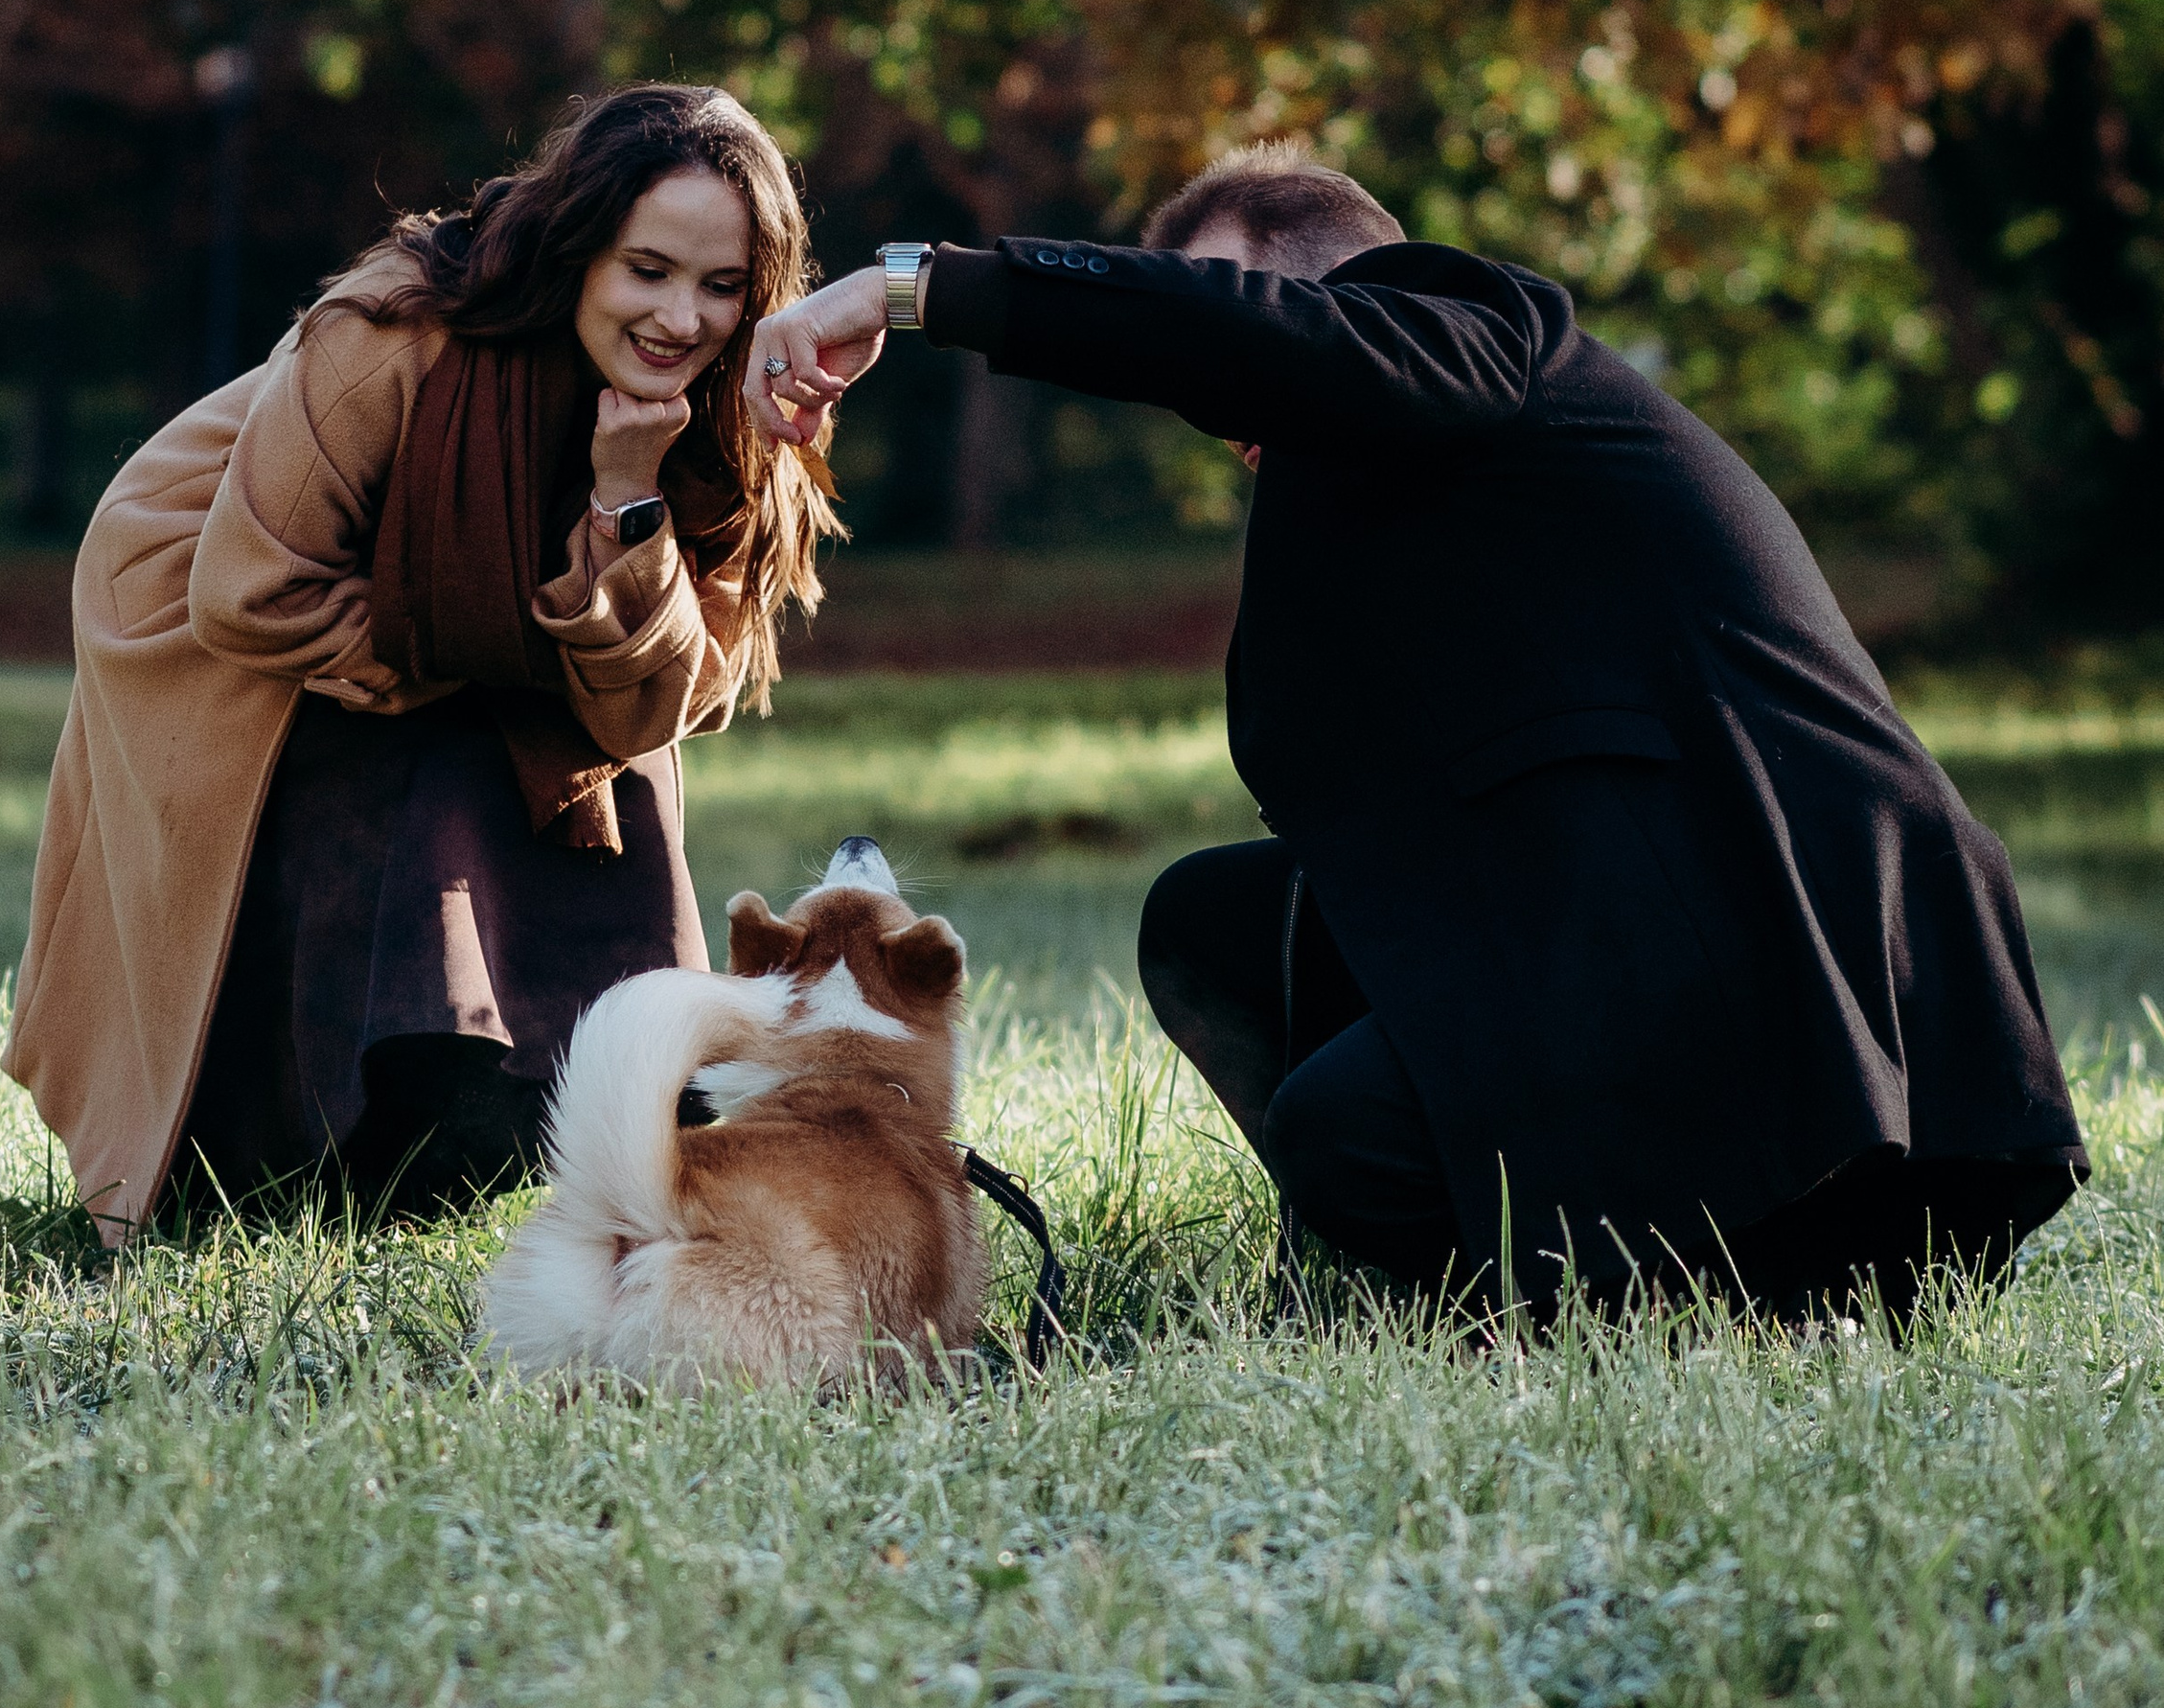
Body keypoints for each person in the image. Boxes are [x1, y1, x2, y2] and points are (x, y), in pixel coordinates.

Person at [746, 155, 2085, 1323]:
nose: (1205, 404)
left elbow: (1258, 342)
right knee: (1218, 920)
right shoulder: (1380, 509)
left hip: (1810, 997)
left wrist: (917, 288)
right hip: (1628, 951)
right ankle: (1536, 1279)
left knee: (1348, 1133)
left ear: (1316, 297)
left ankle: (1655, 1289)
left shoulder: (1476, 325)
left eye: (1213, 326)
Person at [6, 83, 834, 1237]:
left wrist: (625, 501)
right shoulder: (395, 328)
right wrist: (492, 654)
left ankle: (562, 1095)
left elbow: (651, 704)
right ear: (576, 248)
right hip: (210, 584)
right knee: (430, 759)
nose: (681, 318)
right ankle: (308, 1140)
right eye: (646, 270)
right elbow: (252, 588)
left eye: (721, 285)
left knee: (601, 757)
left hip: (463, 628)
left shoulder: (746, 405)